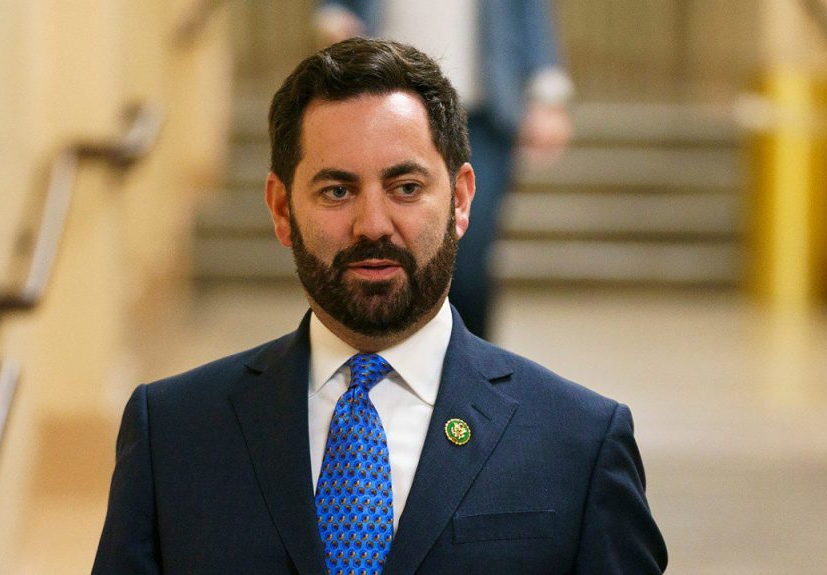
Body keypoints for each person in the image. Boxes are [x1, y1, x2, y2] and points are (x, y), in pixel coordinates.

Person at [92, 38, 666, 574]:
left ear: (461, 200)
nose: (372, 225)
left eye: (406, 188)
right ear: (281, 209)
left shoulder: (579, 443)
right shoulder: (173, 434)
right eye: (337, 191)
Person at [317, 0, 574, 339]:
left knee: (466, 257)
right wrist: (333, 15)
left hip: (479, 119)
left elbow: (528, 11)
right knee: (387, 248)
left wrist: (547, 97)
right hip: (385, 110)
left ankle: (470, 361)